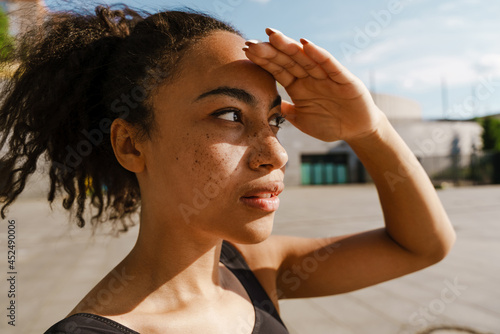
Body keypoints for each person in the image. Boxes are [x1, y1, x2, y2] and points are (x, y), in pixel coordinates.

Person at [0, 3, 456, 334]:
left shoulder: (253, 268)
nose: (275, 155)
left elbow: (422, 246)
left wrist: (370, 128)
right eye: (231, 115)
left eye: (274, 120)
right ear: (131, 143)